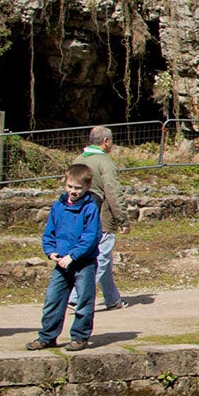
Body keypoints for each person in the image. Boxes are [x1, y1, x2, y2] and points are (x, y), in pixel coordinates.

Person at [27, 162, 103, 352]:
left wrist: (73, 256)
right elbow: (49, 231)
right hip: (61, 262)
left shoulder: (90, 208)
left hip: (83, 262)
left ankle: (80, 336)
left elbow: (91, 236)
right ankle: (47, 336)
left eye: (78, 188)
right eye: (70, 186)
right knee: (53, 300)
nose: (73, 191)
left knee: (84, 301)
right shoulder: (58, 205)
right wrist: (50, 250)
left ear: (87, 186)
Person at [74, 126, 130, 312]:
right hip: (102, 216)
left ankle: (112, 299)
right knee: (102, 256)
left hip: (80, 217)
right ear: (106, 141)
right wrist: (122, 219)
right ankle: (76, 296)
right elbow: (113, 192)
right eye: (111, 141)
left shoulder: (78, 160)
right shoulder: (106, 163)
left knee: (103, 257)